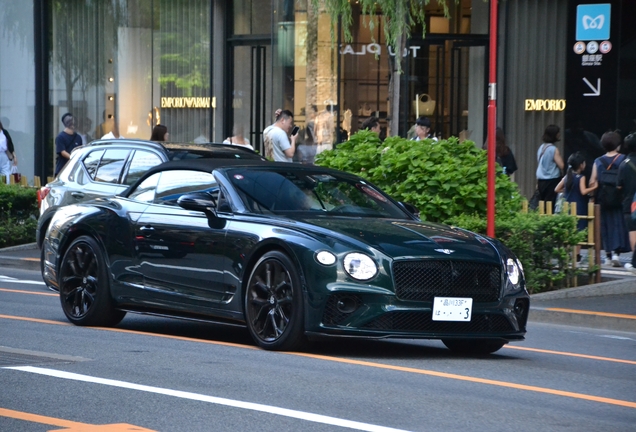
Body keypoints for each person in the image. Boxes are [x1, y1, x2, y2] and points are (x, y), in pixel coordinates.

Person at [589, 131, 630, 267]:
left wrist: (592, 197)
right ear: (618, 145)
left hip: (603, 197)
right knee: (618, 223)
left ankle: (607, 255)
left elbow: (593, 181)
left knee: (604, 225)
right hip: (619, 198)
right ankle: (616, 253)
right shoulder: (623, 159)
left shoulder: (598, 161)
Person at [555, 152, 596, 260]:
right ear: (581, 165)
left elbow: (556, 189)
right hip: (579, 206)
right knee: (579, 229)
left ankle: (567, 252)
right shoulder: (581, 177)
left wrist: (567, 190)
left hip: (567, 205)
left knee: (569, 229)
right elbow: (583, 191)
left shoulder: (567, 176)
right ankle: (577, 254)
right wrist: (594, 187)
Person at [616, 133, 636, 272]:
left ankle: (634, 261)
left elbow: (619, 186)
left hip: (629, 203)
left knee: (633, 231)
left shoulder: (624, 164)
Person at [536, 124, 565, 208]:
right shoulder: (553, 149)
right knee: (550, 205)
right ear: (554, 135)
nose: (559, 135)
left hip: (541, 180)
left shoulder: (541, 148)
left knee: (543, 205)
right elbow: (562, 165)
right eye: (558, 133)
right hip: (551, 180)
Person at [0, 119, 17, 184]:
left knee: (6, 174)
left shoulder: (4, 132)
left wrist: (14, 156)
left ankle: (5, 190)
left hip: (3, 155)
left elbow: (10, 144)